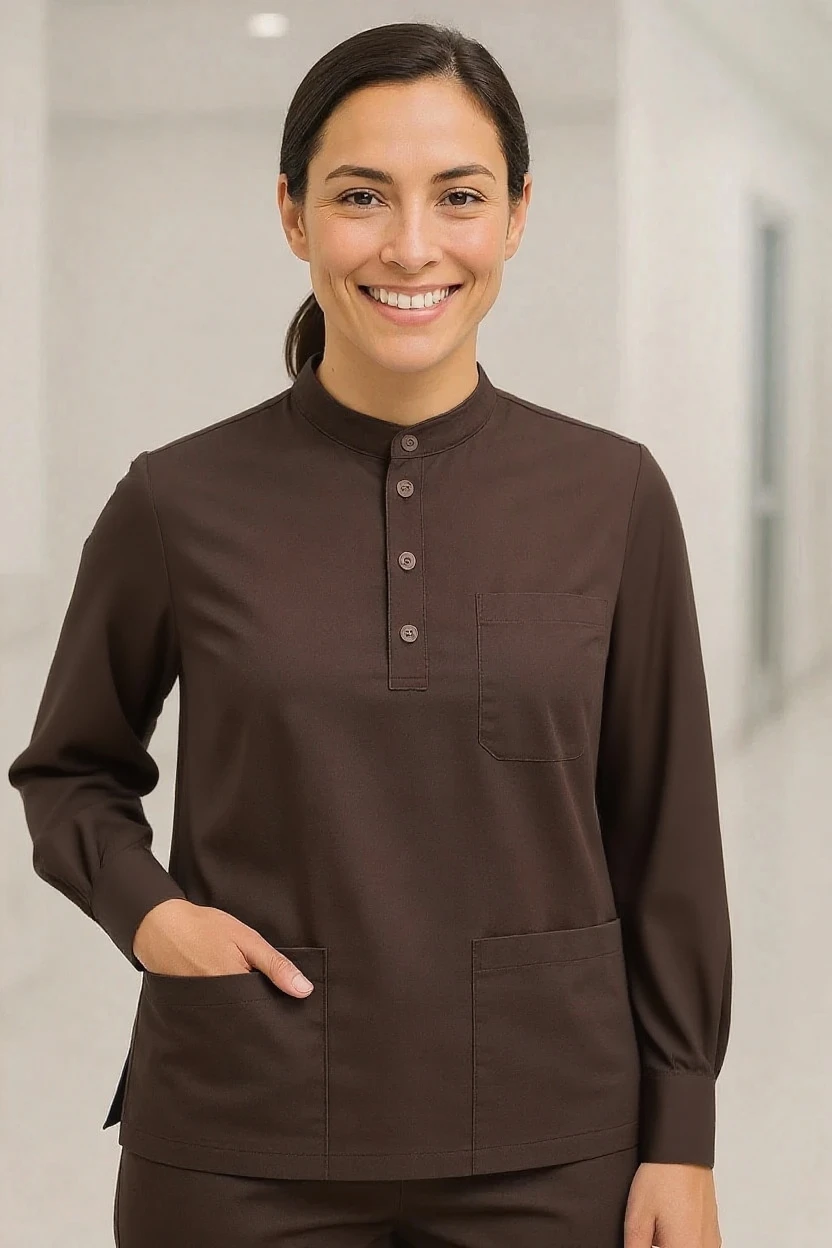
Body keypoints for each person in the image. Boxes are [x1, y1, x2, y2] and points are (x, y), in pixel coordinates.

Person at [7, 20, 731, 1248]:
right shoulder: (177, 502)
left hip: (554, 1135)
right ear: (292, 215)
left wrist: (683, 1134)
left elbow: (664, 827)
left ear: (514, 214)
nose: (411, 245)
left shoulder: (612, 497)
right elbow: (70, 769)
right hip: (237, 1136)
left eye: (459, 195)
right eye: (360, 196)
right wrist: (149, 913)